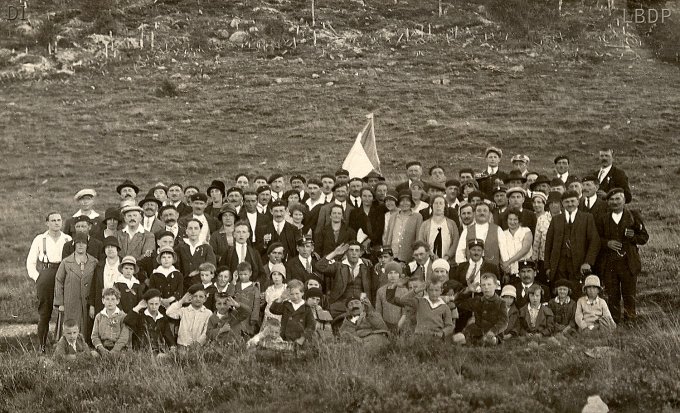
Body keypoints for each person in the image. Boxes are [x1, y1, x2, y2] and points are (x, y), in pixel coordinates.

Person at [596, 188, 648, 323]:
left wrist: (633, 237)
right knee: (612, 295)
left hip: (628, 263)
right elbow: (596, 239)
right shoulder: (603, 219)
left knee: (629, 294)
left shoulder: (633, 216)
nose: (615, 202)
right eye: (611, 200)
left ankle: (630, 320)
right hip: (610, 264)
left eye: (618, 199)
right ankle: (615, 322)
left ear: (624, 200)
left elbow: (644, 237)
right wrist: (607, 243)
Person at [545, 190, 601, 289]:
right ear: (562, 203)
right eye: (567, 202)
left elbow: (594, 242)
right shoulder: (556, 219)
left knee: (576, 292)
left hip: (579, 265)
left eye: (572, 201)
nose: (570, 204)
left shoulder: (587, 218)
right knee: (560, 291)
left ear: (578, 202)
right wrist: (548, 266)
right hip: (559, 265)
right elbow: (548, 244)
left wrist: (588, 262)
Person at [53, 233, 98, 343]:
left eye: (83, 243)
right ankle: (68, 347)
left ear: (87, 245)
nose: (81, 246)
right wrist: (60, 303)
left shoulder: (94, 262)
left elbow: (97, 283)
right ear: (74, 245)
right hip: (71, 301)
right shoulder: (66, 262)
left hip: (87, 302)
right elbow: (59, 281)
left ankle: (85, 347)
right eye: (78, 243)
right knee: (72, 325)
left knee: (87, 326)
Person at [315, 241, 374, 318]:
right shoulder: (339, 266)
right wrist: (335, 253)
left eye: (357, 250)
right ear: (346, 252)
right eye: (351, 250)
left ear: (361, 253)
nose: (354, 253)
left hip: (360, 303)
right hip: (341, 303)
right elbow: (319, 266)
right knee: (329, 314)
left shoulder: (367, 266)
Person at [452, 273, 508, 346]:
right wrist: (467, 290)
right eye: (483, 285)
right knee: (456, 338)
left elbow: (503, 322)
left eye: (489, 284)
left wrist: (493, 332)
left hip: (493, 334)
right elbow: (458, 302)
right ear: (480, 287)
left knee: (489, 340)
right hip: (476, 332)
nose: (486, 287)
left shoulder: (501, 303)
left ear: (496, 286)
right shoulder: (477, 300)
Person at [388, 280, 455, 339]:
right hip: (419, 336)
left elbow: (449, 325)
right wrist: (417, 290)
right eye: (431, 290)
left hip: (436, 337)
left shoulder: (445, 307)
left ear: (441, 291)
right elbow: (403, 300)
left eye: (437, 290)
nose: (434, 293)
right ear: (427, 290)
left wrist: (442, 333)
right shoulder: (420, 301)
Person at [124, 289, 177, 353]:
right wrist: (138, 306)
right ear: (146, 303)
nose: (154, 307)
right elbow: (127, 321)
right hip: (140, 354)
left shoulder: (162, 319)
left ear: (160, 303)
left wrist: (172, 348)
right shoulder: (140, 316)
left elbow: (169, 338)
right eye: (151, 304)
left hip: (158, 354)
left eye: (156, 304)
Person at [454, 202, 505, 268]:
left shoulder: (498, 229)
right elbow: (460, 251)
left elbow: (504, 250)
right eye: (479, 211)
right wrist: (464, 267)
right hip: (471, 270)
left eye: (485, 211)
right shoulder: (467, 230)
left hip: (492, 270)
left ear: (489, 214)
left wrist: (505, 265)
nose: (482, 213)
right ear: (474, 214)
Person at [269, 279, 316, 346]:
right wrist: (281, 298)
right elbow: (273, 310)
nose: (295, 297)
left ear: (302, 293)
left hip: (300, 341)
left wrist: (302, 338)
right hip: (285, 339)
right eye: (291, 294)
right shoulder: (286, 305)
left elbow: (311, 326)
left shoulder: (306, 308)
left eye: (297, 294)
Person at [176, 218, 217, 291]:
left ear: (200, 230)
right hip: (184, 286)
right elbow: (176, 265)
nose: (193, 231)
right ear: (186, 231)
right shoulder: (180, 247)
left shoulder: (206, 248)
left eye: (196, 228)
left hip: (202, 286)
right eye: (190, 228)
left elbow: (211, 266)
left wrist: (198, 271)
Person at [383, 190, 423, 263]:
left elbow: (418, 238)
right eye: (402, 201)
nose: (405, 203)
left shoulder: (417, 217)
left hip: (408, 256)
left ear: (411, 203)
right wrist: (386, 254)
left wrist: (416, 256)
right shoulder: (393, 217)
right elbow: (388, 237)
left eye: (407, 200)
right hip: (392, 255)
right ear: (398, 203)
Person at [418, 195, 459, 261]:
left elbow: (455, 242)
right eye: (436, 203)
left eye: (441, 203)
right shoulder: (425, 224)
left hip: (448, 261)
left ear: (445, 206)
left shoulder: (452, 224)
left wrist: (447, 256)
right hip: (429, 261)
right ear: (432, 205)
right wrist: (431, 255)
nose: (438, 206)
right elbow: (421, 242)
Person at [91, 287, 130, 355]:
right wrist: (101, 349)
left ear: (117, 301)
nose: (110, 302)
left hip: (118, 348)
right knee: (93, 354)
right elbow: (94, 336)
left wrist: (114, 351)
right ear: (103, 300)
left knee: (123, 357)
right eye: (107, 299)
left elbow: (124, 337)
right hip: (103, 347)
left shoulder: (123, 316)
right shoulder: (99, 316)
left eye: (113, 299)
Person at [227, 261, 261, 336]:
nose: (243, 276)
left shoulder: (254, 287)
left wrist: (254, 318)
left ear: (250, 273)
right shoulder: (236, 285)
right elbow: (229, 295)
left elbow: (256, 304)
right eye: (240, 274)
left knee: (245, 336)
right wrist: (233, 281)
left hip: (248, 317)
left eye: (245, 274)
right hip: (235, 316)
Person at [348, 186, 386, 252]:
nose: (367, 199)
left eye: (369, 196)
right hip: (360, 245)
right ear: (361, 197)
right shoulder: (354, 212)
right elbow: (353, 229)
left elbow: (380, 229)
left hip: (377, 244)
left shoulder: (379, 211)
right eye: (364, 196)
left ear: (373, 197)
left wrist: (369, 240)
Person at [500, 208, 533, 282]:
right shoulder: (503, 234)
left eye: (515, 219)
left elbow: (525, 250)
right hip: (509, 272)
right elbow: (501, 253)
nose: (512, 222)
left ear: (519, 220)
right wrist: (505, 270)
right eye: (510, 219)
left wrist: (508, 262)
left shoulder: (526, 231)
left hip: (524, 271)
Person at [374, 262, 408, 334]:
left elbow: (405, 312)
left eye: (395, 273)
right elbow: (378, 312)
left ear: (399, 274)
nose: (393, 276)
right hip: (385, 326)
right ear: (386, 275)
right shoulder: (380, 291)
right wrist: (383, 327)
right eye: (390, 273)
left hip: (400, 326)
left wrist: (398, 327)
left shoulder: (404, 291)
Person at [148, 246, 183, 311]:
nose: (166, 260)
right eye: (163, 257)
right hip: (158, 305)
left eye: (169, 257)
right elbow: (152, 290)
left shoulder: (178, 274)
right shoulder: (155, 274)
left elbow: (180, 291)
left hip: (174, 304)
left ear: (173, 259)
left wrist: (170, 299)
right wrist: (161, 300)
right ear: (160, 260)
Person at [239, 190, 273, 255]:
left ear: (257, 202)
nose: (250, 204)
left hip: (262, 251)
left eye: (253, 201)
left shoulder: (266, 218)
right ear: (243, 202)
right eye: (248, 201)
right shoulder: (239, 218)